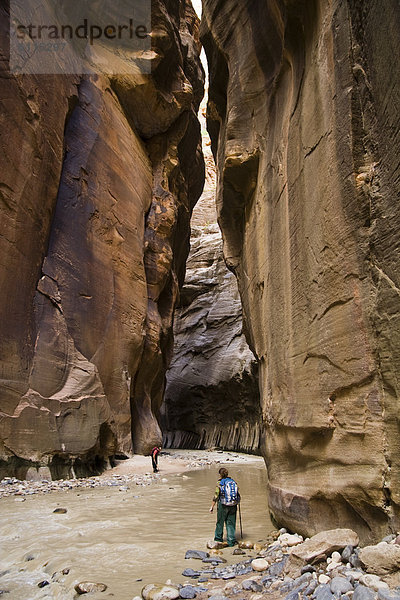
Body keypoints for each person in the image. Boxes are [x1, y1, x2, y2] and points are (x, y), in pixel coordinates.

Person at [209, 467, 240, 547]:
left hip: (223, 505)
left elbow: (216, 495)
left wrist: (212, 506)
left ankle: (218, 539)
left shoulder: (220, 483)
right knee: (231, 523)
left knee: (220, 522)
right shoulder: (233, 482)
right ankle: (231, 541)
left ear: (220, 475)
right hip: (233, 505)